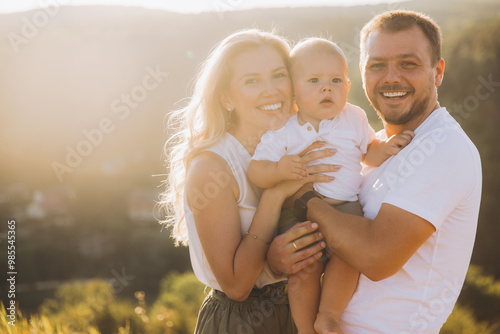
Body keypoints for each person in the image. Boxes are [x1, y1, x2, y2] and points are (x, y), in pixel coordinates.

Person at [268, 10, 482, 334]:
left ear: (437, 71)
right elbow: (331, 237)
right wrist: (278, 257)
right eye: (377, 65)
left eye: (408, 63)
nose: (391, 77)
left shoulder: (444, 148)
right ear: (362, 74)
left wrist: (303, 197)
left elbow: (376, 257)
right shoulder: (370, 146)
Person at [160, 29, 335, 334]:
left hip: (300, 310)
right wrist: (274, 196)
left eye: (278, 76)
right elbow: (236, 286)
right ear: (226, 98)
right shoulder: (212, 168)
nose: (271, 91)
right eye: (252, 81)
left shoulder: (300, 143)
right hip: (241, 320)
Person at [248, 37, 414, 334]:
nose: (327, 87)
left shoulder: (353, 117)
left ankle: (329, 315)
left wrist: (387, 148)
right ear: (295, 91)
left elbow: (368, 151)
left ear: (348, 87)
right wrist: (278, 169)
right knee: (303, 268)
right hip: (299, 213)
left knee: (350, 258)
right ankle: (304, 328)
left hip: (347, 207)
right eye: (314, 80)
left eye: (336, 80)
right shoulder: (285, 129)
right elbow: (256, 171)